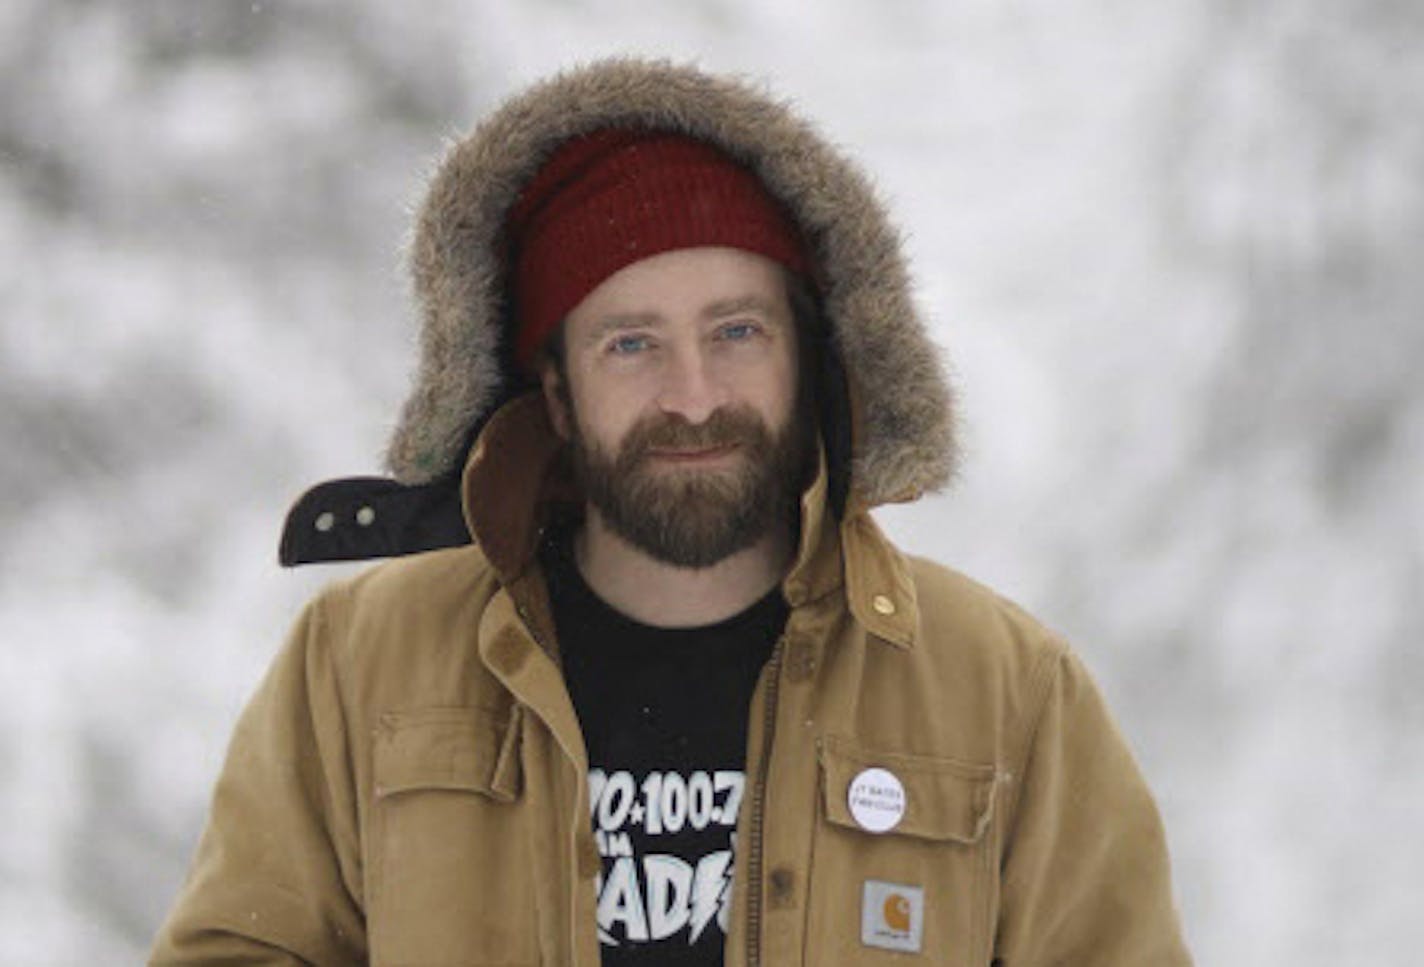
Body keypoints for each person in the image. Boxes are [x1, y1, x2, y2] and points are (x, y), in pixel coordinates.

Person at [151, 58, 1192, 966]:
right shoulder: (360, 664)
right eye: (631, 344)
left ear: (810, 354)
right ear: (554, 390)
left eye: (735, 331)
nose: (692, 394)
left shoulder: (1002, 688)